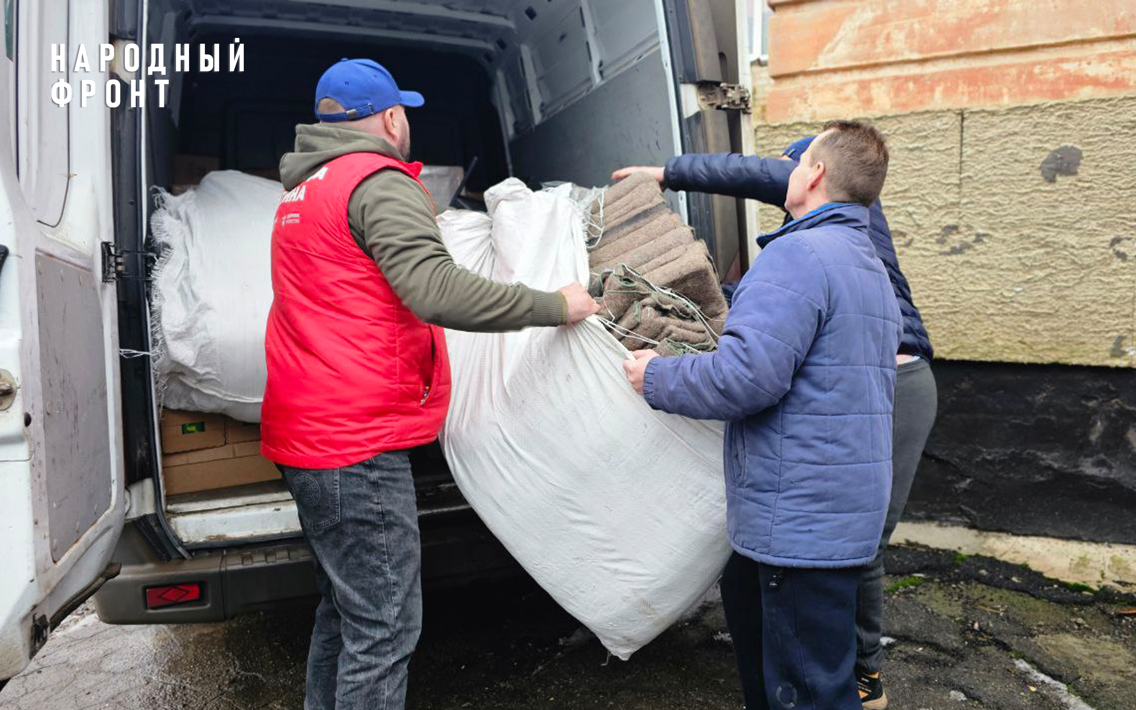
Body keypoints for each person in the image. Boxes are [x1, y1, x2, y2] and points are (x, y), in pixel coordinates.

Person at [259, 58, 598, 710]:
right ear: (391, 118)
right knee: (385, 626)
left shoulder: (303, 190)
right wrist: (555, 305)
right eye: (404, 113)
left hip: (307, 430)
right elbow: (435, 290)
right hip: (355, 442)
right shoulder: (376, 182)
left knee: (345, 611)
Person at [614, 132, 937, 710]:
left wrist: (656, 376)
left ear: (813, 174)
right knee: (808, 668)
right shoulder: (866, 261)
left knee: (805, 690)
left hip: (799, 526)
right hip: (834, 517)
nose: (784, 172)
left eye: (796, 162)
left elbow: (746, 378)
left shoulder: (797, 255)